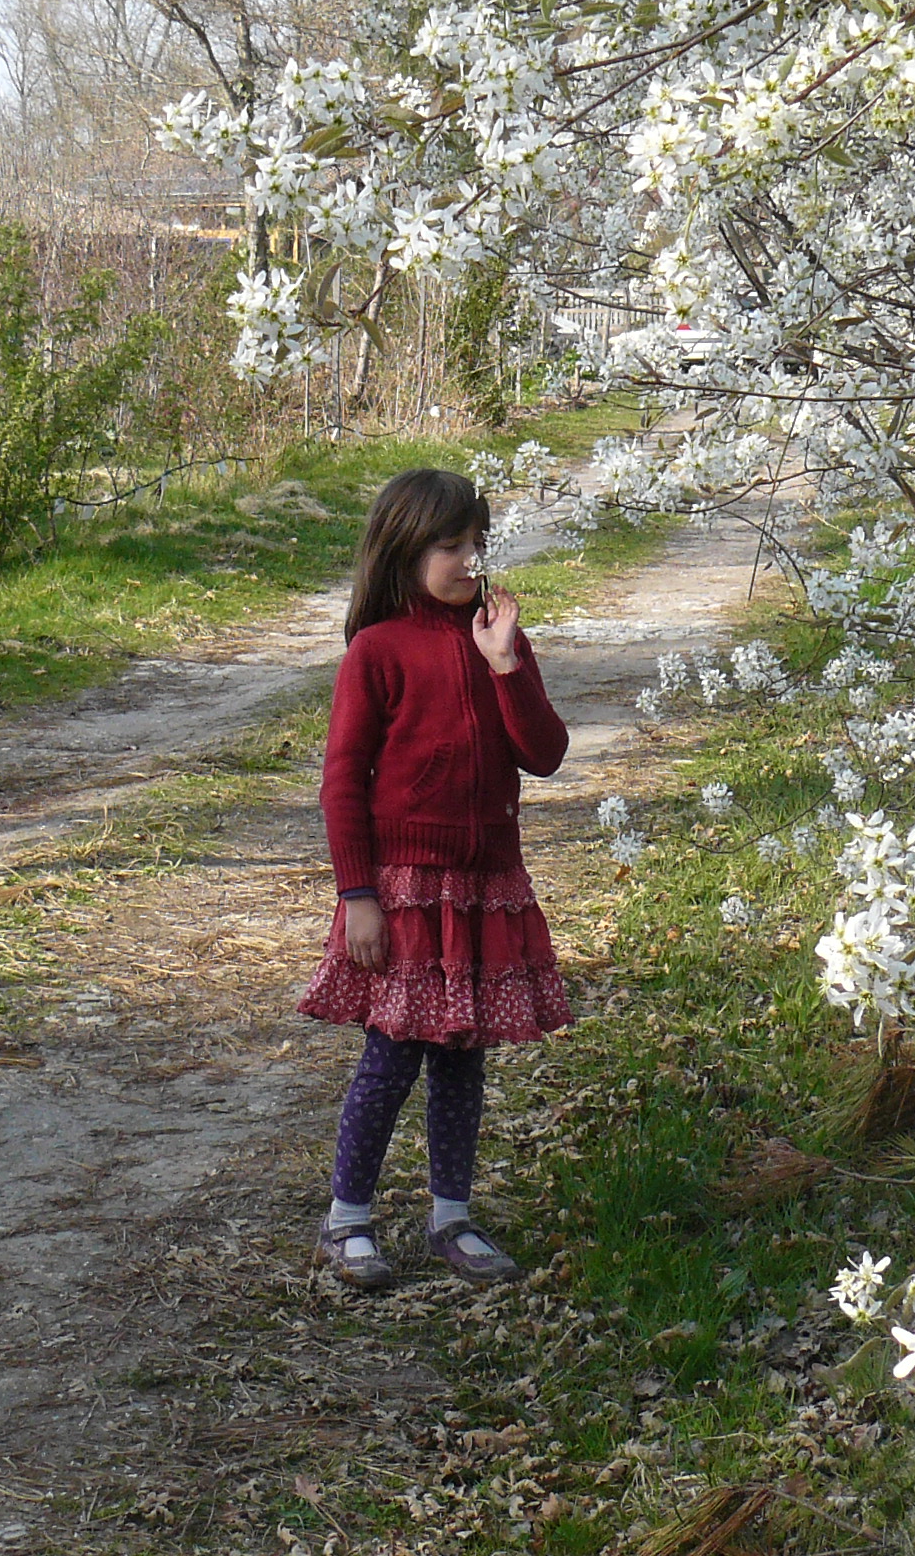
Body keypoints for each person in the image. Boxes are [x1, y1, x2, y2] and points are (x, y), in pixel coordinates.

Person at [299, 467, 572, 1289]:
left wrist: (504, 666)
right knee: (393, 1056)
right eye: (451, 546)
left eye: (477, 543)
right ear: (405, 549)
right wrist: (359, 897)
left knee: (462, 1060)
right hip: (407, 889)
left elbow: (546, 754)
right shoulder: (378, 651)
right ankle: (347, 1221)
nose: (470, 559)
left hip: (485, 882)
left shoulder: (500, 641)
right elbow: (343, 780)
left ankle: (451, 1217)